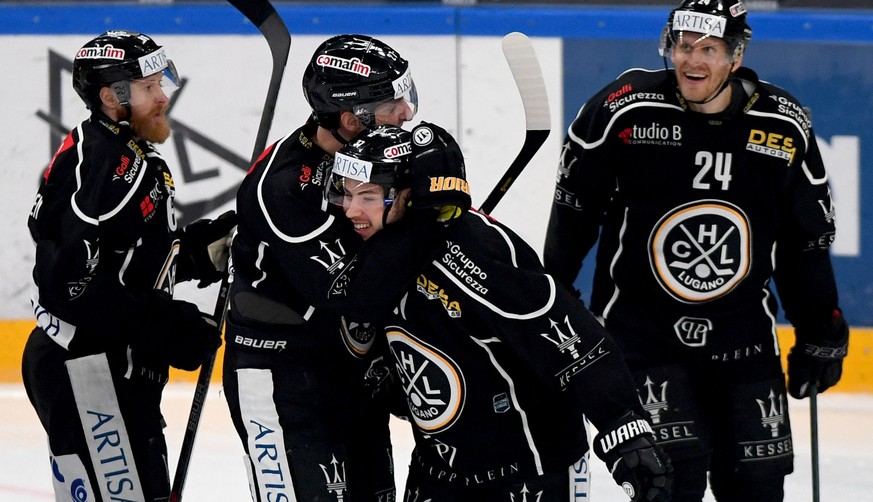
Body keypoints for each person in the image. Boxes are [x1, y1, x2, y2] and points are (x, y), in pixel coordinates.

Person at [542, 1, 850, 500]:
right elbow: (575, 212)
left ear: (736, 55)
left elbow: (805, 243)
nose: (692, 61)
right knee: (668, 482)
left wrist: (821, 330)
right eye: (683, 47)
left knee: (758, 488)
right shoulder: (626, 108)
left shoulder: (783, 126)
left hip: (745, 340)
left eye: (708, 48)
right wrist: (554, 304)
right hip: (643, 339)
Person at [329, 122, 673, 502]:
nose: (350, 210)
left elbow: (568, 335)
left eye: (368, 195)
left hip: (529, 471)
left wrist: (624, 429)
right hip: (439, 470)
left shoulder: (471, 252)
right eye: (346, 193)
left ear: (411, 195)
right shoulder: (371, 248)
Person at [23, 30, 234, 501]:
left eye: (161, 83)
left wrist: (197, 251)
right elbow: (68, 285)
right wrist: (163, 324)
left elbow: (123, 260)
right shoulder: (107, 162)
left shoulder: (117, 149)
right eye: (148, 88)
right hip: (88, 372)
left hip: (102, 368)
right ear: (110, 96)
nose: (163, 98)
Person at [223, 34, 431, 502]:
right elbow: (351, 291)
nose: (407, 113)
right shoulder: (284, 186)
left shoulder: (379, 159)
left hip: (353, 375)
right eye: (391, 102)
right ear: (350, 118)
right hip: (282, 380)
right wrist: (420, 228)